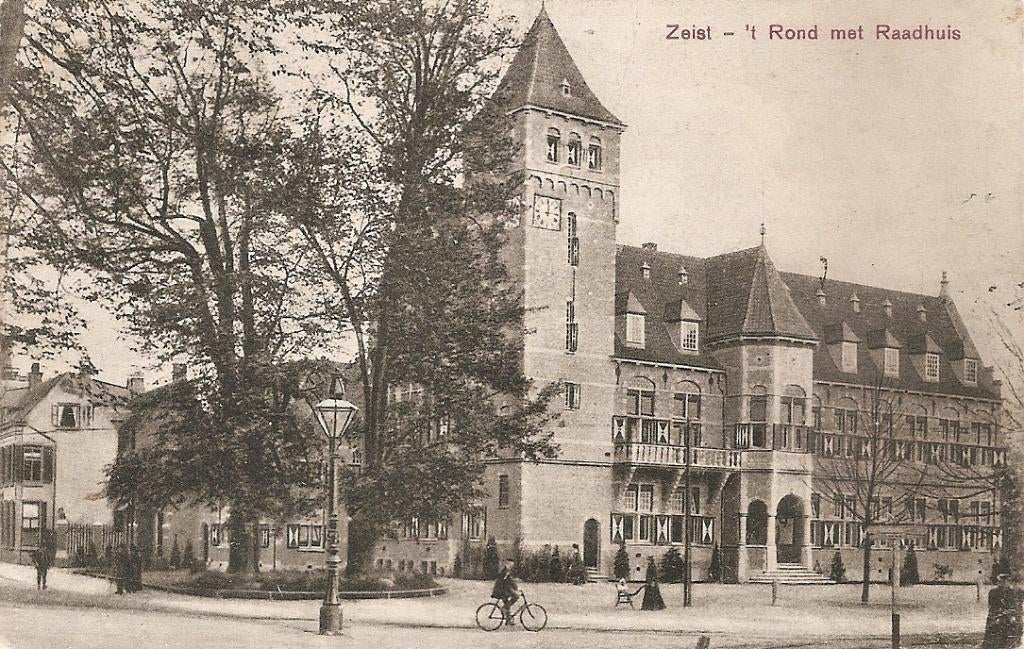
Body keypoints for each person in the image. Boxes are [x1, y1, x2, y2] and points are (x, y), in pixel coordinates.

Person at [983, 573, 1023, 649]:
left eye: (1005, 581)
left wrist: (1010, 613)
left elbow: (1013, 604)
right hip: (996, 614)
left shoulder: (1012, 592)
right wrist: (999, 612)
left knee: (1015, 626)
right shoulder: (993, 592)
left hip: (1009, 614)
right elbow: (992, 605)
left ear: (1008, 582)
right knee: (993, 628)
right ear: (998, 582)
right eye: (1001, 581)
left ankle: (1014, 643)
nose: (1003, 583)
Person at [491, 559, 520, 625]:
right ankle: (505, 610)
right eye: (510, 564)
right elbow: (506, 583)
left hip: (503, 590)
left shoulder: (507, 571)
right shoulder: (505, 572)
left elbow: (511, 581)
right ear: (507, 564)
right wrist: (514, 591)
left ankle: (508, 620)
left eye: (512, 564)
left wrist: (515, 588)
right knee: (515, 596)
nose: (511, 566)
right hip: (500, 591)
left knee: (507, 603)